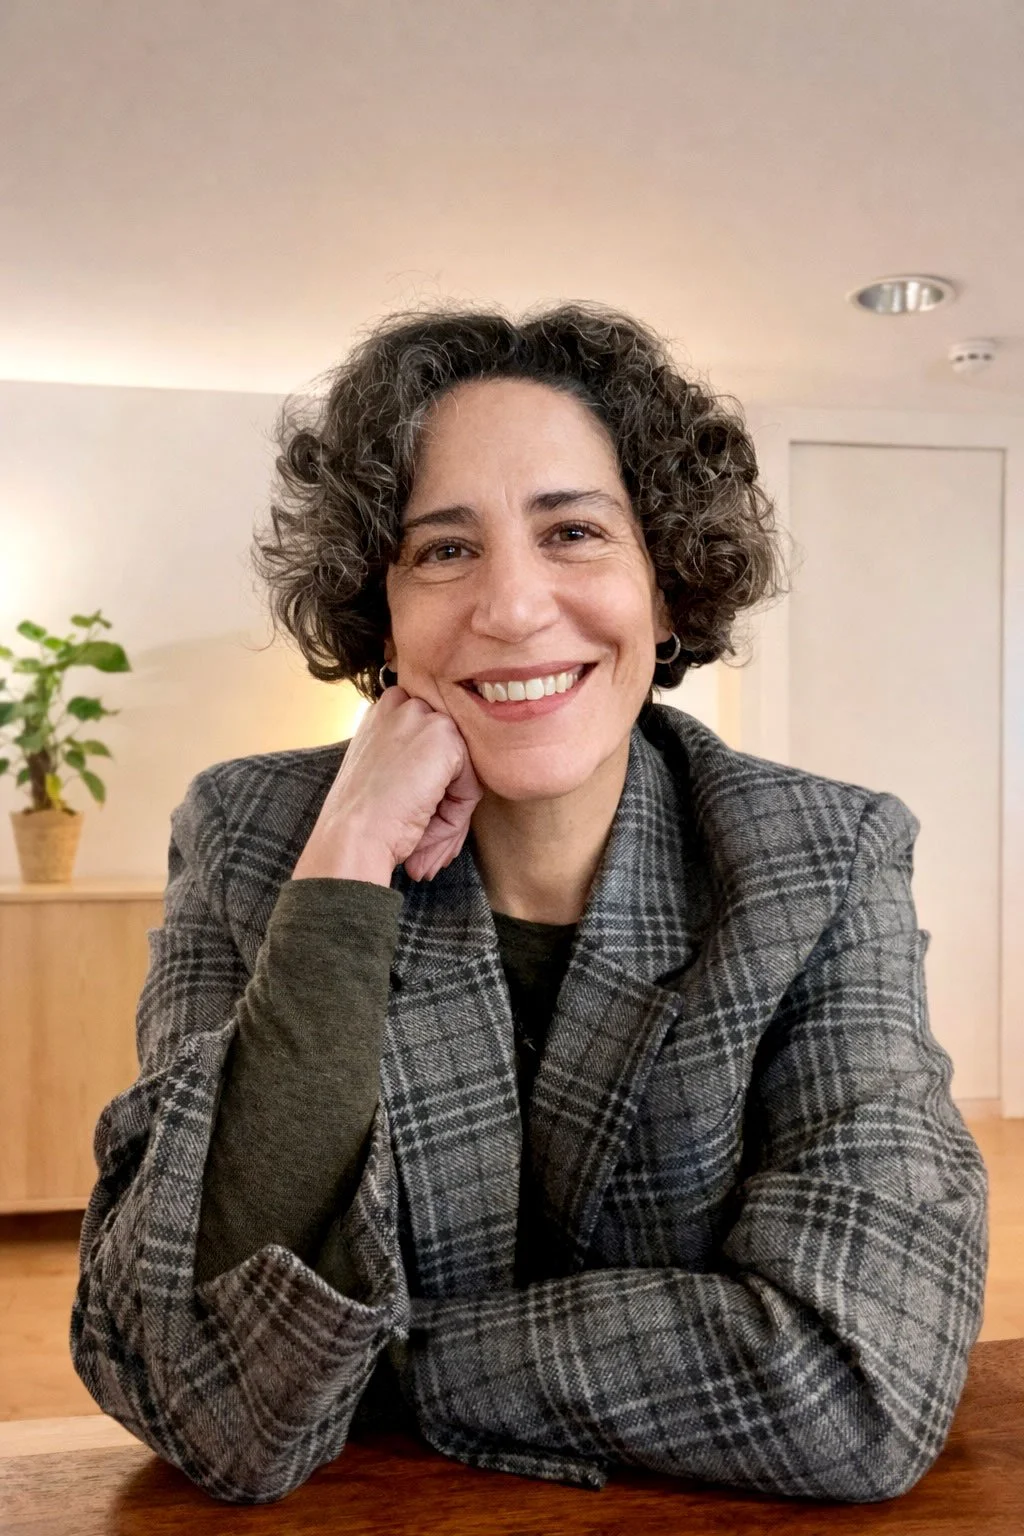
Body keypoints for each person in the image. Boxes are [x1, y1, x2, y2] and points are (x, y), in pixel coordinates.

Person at [71, 303, 988, 1506]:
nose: (508, 605)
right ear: (380, 614)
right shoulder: (252, 835)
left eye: (572, 531)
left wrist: (379, 1359)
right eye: (442, 550)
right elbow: (202, 1399)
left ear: (668, 589)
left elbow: (855, 1384)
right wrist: (344, 864)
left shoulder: (819, 855)